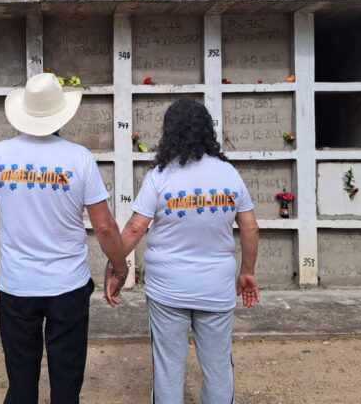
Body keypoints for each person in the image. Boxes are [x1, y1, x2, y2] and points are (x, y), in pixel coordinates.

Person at [0, 72, 128, 404]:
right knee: (67, 380)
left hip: (17, 287)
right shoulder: (79, 158)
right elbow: (104, 227)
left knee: (21, 379)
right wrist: (119, 267)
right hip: (68, 287)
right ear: (62, 114)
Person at [106, 98, 260, 404]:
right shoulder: (228, 174)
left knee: (168, 368)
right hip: (216, 287)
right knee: (218, 366)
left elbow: (136, 228)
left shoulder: (160, 176)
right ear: (207, 130)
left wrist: (116, 268)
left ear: (169, 132)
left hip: (168, 288)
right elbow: (250, 228)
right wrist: (247, 271)